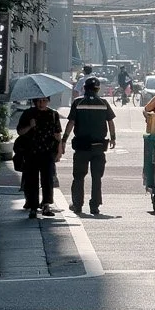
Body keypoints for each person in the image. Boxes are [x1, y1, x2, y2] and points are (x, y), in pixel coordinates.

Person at [60, 75, 116, 216]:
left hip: (81, 147)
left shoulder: (78, 102)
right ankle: (95, 206)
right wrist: (113, 138)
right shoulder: (103, 103)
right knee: (97, 177)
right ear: (97, 89)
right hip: (98, 146)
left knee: (79, 176)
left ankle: (78, 205)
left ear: (84, 88)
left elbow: (71, 122)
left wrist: (64, 139)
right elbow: (110, 122)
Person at [14, 96, 62, 219]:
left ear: (48, 101)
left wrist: (59, 150)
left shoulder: (53, 114)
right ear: (35, 101)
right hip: (31, 152)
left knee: (48, 179)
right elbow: (20, 132)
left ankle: (46, 204)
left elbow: (57, 133)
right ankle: (33, 206)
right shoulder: (28, 114)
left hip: (47, 152)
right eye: (39, 101)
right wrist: (30, 126)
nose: (41, 103)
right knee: (31, 180)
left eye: (44, 100)